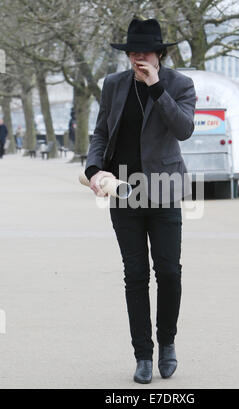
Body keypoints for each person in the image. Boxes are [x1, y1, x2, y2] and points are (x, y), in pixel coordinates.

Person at [85, 18, 196, 384]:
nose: (138, 58)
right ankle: (143, 356)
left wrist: (155, 86)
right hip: (123, 192)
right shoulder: (113, 85)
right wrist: (94, 169)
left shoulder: (180, 84)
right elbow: (101, 132)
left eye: (145, 52)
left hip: (163, 191)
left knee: (169, 272)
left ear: (159, 54)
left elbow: (183, 129)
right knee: (135, 276)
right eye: (133, 52)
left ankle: (167, 343)